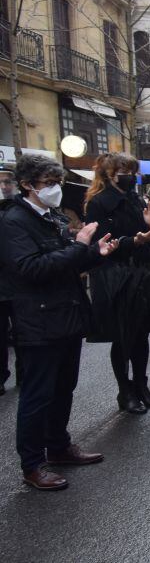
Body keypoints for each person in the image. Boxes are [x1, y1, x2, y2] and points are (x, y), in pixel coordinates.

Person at [0, 153, 119, 490]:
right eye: (48, 184)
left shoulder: (48, 217)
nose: (55, 190)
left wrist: (94, 253)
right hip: (37, 321)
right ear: (27, 185)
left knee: (64, 387)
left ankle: (59, 445)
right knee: (38, 394)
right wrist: (80, 246)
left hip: (65, 316)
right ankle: (33, 464)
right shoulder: (13, 222)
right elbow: (32, 269)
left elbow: (65, 261)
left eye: (58, 183)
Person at [84, 153, 150, 415]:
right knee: (122, 336)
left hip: (142, 273)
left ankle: (141, 385)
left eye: (132, 170)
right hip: (116, 277)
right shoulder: (98, 204)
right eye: (124, 170)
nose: (130, 175)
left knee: (142, 333)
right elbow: (99, 244)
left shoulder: (136, 200)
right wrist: (134, 241)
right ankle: (125, 390)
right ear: (109, 173)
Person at [0, 169, 14, 395]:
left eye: (7, 181)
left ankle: (24, 371)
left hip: (18, 281)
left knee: (23, 332)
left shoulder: (18, 209)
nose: (4, 185)